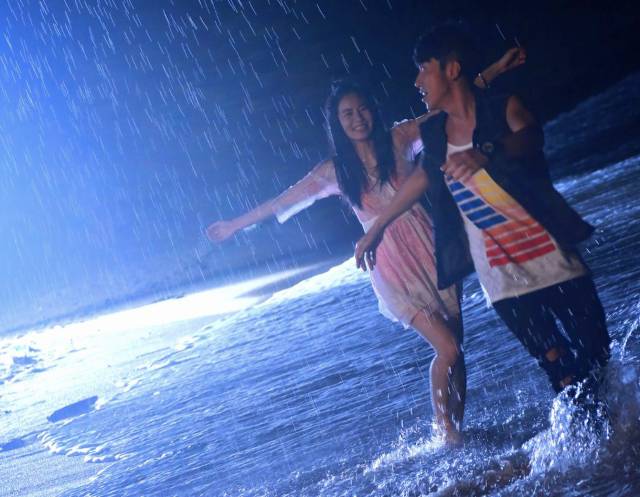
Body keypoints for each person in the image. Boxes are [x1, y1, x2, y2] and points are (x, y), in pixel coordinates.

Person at [206, 51, 524, 443]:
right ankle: (447, 434)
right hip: (390, 263)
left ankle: (455, 430)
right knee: (448, 348)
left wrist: (495, 69)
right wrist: (234, 226)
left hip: (432, 248)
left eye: (363, 110)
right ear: (338, 124)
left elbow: (447, 106)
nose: (358, 119)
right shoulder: (335, 171)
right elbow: (280, 202)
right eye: (348, 114)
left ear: (373, 110)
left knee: (456, 348)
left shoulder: (400, 138)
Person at [355, 23, 610, 397]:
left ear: (451, 69)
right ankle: (588, 432)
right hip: (506, 285)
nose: (417, 81)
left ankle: (620, 428)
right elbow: (420, 179)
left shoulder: (503, 107)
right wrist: (375, 230)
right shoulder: (435, 135)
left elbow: (531, 136)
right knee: (562, 376)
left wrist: (487, 151)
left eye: (424, 69)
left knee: (597, 360)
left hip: (555, 264)